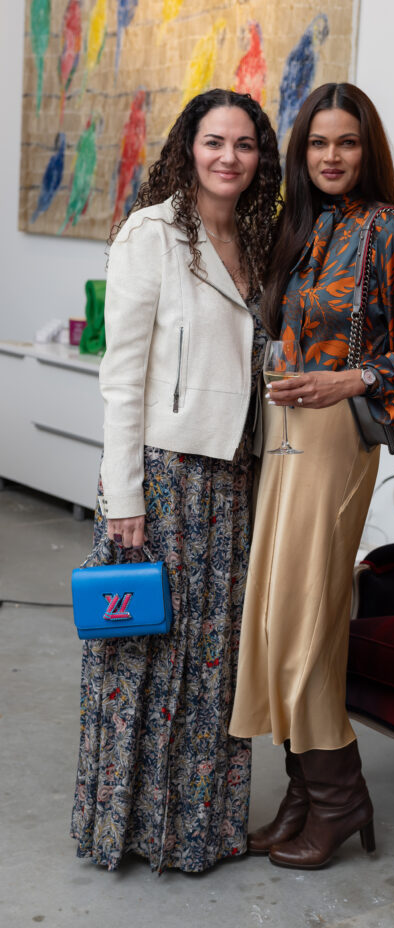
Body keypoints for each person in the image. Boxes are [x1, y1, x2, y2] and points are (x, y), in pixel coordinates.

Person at [70, 88, 282, 873]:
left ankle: (200, 830)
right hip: (161, 478)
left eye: (245, 145)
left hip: (230, 481)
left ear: (261, 158)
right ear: (188, 148)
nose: (229, 157)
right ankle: (128, 830)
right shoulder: (150, 233)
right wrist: (119, 496)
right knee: (144, 659)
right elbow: (121, 378)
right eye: (214, 141)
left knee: (212, 663)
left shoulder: (257, 239)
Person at [229, 82, 394, 868]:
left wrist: (352, 379)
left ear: (367, 149)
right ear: (302, 153)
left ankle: (341, 799)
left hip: (338, 439)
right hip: (279, 437)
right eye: (318, 144)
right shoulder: (292, 230)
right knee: (272, 618)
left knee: (305, 621)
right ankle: (304, 794)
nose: (332, 157)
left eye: (346, 142)